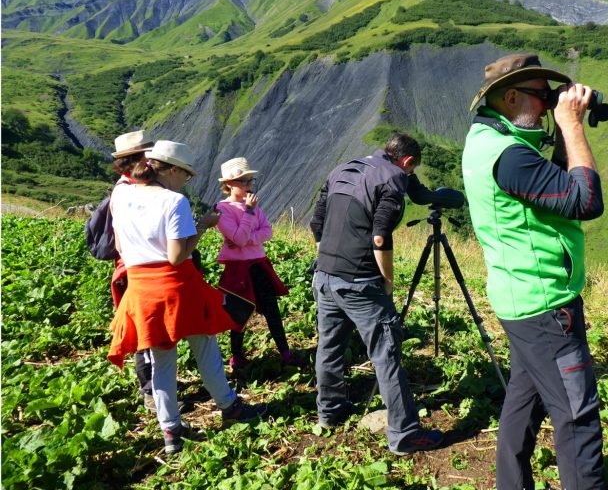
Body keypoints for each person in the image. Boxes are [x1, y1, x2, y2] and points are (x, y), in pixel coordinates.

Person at [462, 53, 606, 489]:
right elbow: (585, 201)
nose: (548, 104)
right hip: (546, 306)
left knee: (523, 403)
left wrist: (564, 131)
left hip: (519, 300)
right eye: (542, 95)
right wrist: (573, 126)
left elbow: (557, 186)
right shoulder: (510, 157)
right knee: (577, 418)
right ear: (511, 97)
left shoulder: (487, 139)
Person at [107, 140, 267, 454]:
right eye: (187, 174)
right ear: (173, 170)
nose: (187, 180)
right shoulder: (173, 200)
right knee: (205, 343)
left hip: (140, 287)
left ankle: (171, 433)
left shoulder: (122, 194)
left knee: (162, 361)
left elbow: (122, 247)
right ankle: (230, 406)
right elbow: (177, 255)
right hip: (176, 285)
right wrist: (203, 227)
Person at [309, 133, 444, 456]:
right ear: (408, 162)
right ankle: (404, 435)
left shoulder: (344, 168)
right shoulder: (394, 178)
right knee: (386, 354)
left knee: (329, 346)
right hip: (360, 279)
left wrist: (329, 262)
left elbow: (317, 223)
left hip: (325, 275)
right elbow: (380, 237)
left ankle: (329, 412)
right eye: (412, 170)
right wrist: (386, 281)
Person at [215, 157, 304, 369]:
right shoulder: (222, 209)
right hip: (238, 269)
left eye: (249, 181)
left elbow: (267, 231)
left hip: (258, 263)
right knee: (239, 312)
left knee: (272, 309)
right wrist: (248, 215)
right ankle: (236, 356)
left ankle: (285, 352)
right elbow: (238, 238)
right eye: (243, 181)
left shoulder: (253, 205)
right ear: (229, 184)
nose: (248, 185)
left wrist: (247, 238)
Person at [108, 130, 157, 411]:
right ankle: (149, 391)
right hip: (136, 270)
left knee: (147, 331)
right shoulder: (127, 193)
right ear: (136, 160)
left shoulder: (125, 188)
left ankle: (152, 387)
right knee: (144, 333)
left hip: (135, 267)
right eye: (146, 155)